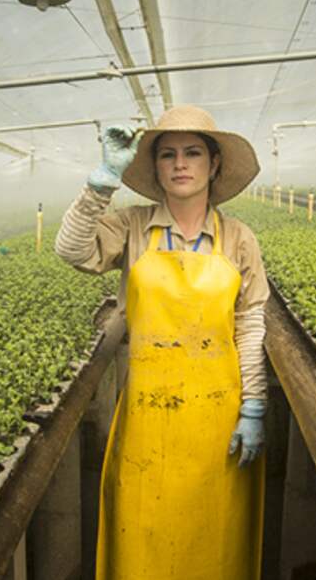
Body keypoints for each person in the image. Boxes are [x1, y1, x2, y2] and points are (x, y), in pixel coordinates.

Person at [54, 105, 269, 580]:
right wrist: (102, 180)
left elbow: (250, 325)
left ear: (214, 164)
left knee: (214, 546)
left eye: (193, 152)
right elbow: (71, 249)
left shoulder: (238, 239)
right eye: (167, 154)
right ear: (153, 166)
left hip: (219, 422)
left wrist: (253, 405)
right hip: (148, 417)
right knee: (143, 544)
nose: (180, 164)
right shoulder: (132, 227)